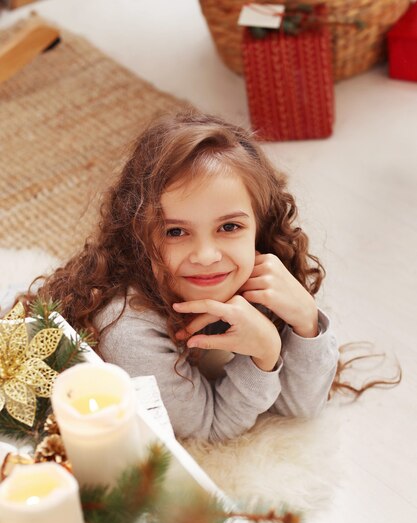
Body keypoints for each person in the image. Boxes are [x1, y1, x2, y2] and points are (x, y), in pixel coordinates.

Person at [36, 110, 339, 441]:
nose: (207, 256)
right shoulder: (127, 327)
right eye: (176, 232)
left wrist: (306, 324)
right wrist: (263, 356)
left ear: (259, 227)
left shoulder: (255, 278)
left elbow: (302, 409)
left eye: (229, 226)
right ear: (139, 233)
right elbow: (206, 432)